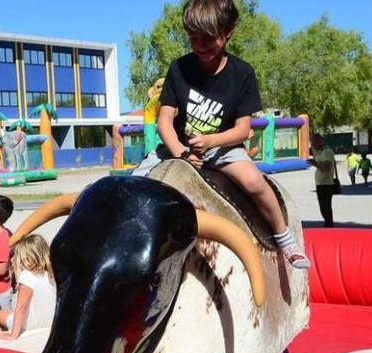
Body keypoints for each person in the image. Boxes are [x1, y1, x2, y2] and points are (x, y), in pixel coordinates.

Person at [135, 0, 309, 269]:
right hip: (178, 147)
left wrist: (211, 141)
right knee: (132, 185)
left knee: (253, 181)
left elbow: (243, 129)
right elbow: (165, 121)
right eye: (194, 38)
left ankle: (284, 237)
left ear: (229, 31)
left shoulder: (242, 74)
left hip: (222, 147)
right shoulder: (179, 69)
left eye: (209, 38)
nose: (201, 45)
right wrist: (181, 153)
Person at [0, 234, 56, 340]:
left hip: (31, 325)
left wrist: (13, 335)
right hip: (49, 322)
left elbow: (21, 307)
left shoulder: (27, 275)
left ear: (26, 257)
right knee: (9, 313)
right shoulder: (51, 273)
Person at [311, 134, 338, 228]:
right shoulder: (322, 151)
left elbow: (326, 167)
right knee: (324, 205)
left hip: (325, 183)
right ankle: (328, 222)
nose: (312, 145)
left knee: (325, 206)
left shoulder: (326, 152)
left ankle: (329, 224)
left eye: (313, 142)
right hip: (321, 183)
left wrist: (314, 163)